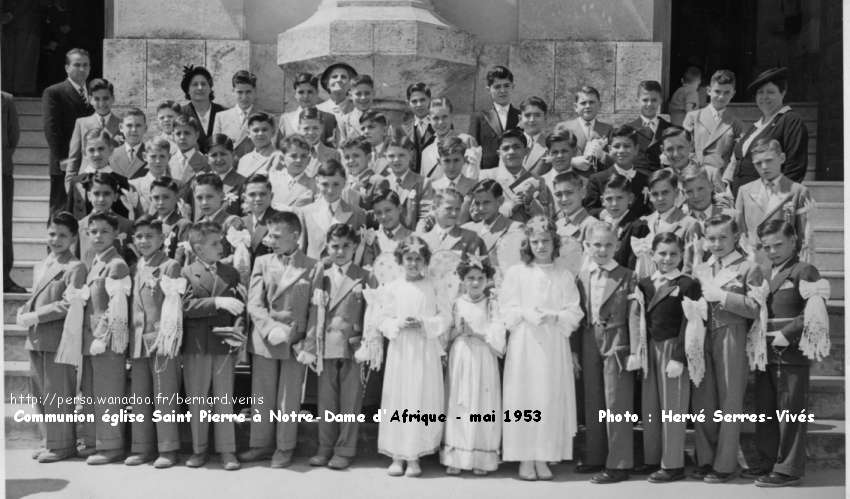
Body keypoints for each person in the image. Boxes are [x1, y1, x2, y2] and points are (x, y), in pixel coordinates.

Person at [746, 220, 830, 487]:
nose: (772, 251)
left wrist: (789, 334)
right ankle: (768, 461)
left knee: (791, 410)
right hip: (766, 351)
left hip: (790, 352)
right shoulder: (767, 271)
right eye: (766, 247)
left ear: (794, 240)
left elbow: (815, 308)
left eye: (778, 244)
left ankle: (789, 468)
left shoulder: (803, 270)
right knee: (767, 409)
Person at [500, 215, 583, 480]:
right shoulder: (517, 273)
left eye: (545, 240)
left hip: (553, 341)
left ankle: (544, 455)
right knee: (525, 396)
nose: (540, 246)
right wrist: (527, 313)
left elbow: (574, 309)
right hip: (525, 341)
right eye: (535, 241)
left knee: (547, 396)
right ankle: (525, 456)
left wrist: (556, 316)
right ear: (528, 244)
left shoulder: (563, 275)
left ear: (554, 242)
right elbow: (507, 307)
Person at [241, 210, 321, 468]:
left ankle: (285, 447)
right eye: (269, 235)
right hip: (266, 339)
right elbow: (254, 303)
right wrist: (269, 329)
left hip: (294, 341)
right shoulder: (263, 262)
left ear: (295, 235)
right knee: (262, 395)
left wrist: (307, 343)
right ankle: (260, 445)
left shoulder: (313, 266)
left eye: (277, 236)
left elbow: (315, 309)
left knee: (289, 398)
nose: (270, 241)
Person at [690, 214, 767, 483]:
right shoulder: (701, 267)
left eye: (723, 237)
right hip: (701, 335)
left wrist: (723, 296)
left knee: (729, 401)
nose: (717, 243)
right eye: (711, 238)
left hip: (732, 335)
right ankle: (705, 458)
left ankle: (724, 465)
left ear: (736, 237)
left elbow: (756, 309)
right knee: (703, 400)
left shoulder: (748, 268)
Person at [299, 223, 378, 470]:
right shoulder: (320, 273)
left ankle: (345, 449)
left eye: (346, 246)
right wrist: (311, 345)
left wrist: (366, 343)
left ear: (355, 246)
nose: (340, 251)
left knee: (350, 402)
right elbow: (312, 311)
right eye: (335, 246)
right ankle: (324, 447)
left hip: (352, 347)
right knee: (326, 402)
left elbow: (372, 314)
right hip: (326, 347)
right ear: (327, 247)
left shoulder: (365, 275)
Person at [575, 220, 642, 484]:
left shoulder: (627, 275)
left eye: (608, 245)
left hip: (617, 339)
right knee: (593, 400)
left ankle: (619, 462)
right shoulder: (582, 276)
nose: (602, 250)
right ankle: (595, 455)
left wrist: (635, 349)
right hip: (589, 338)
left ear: (616, 246)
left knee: (617, 402)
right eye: (597, 245)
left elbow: (635, 317)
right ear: (588, 246)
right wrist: (575, 351)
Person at [17, 211, 86, 463]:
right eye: (52, 233)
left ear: (73, 238)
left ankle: (63, 445)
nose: (56, 239)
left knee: (57, 392)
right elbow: (37, 296)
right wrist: (24, 310)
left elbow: (70, 304)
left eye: (63, 235)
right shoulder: (44, 263)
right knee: (40, 392)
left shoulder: (75, 266)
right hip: (36, 337)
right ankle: (49, 440)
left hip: (58, 339)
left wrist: (36, 316)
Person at [377, 236, 449, 477]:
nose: (413, 263)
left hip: (424, 349)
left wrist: (424, 323)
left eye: (418, 259)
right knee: (399, 397)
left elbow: (444, 317)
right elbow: (383, 318)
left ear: (425, 261)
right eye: (408, 258)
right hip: (401, 350)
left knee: (419, 398)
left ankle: (414, 455)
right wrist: (397, 324)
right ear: (400, 260)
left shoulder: (433, 286)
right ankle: (397, 455)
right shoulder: (394, 287)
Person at [634, 232, 702, 483]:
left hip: (673, 348)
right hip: (650, 347)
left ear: (682, 255)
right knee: (650, 406)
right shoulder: (644, 283)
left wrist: (679, 357)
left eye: (674, 253)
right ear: (653, 254)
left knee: (673, 407)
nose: (668, 258)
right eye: (662, 253)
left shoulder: (687, 284)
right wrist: (637, 350)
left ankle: (673, 463)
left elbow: (690, 323)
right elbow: (638, 318)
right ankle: (653, 458)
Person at [181, 221, 246, 470]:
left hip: (223, 343)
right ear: (198, 248)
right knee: (197, 399)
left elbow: (240, 307)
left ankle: (227, 450)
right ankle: (199, 450)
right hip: (196, 346)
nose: (221, 246)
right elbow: (185, 307)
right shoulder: (186, 272)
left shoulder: (231, 272)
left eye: (221, 241)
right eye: (215, 243)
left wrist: (238, 331)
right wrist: (216, 302)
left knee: (224, 399)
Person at [124, 216, 183, 469]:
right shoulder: (135, 266)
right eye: (139, 236)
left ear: (161, 239)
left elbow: (173, 307)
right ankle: (141, 447)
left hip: (161, 339)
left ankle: (167, 448)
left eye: (150, 236)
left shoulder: (170, 266)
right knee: (140, 398)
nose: (144, 241)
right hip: (138, 340)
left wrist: (166, 336)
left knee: (164, 397)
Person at [442, 255, 505, 476]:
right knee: (460, 403)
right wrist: (459, 331)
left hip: (483, 357)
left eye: (480, 278)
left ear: (488, 279)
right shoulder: (456, 304)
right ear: (462, 280)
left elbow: (498, 334)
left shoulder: (492, 305)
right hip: (461, 357)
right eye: (470, 278)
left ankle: (481, 455)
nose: (476, 283)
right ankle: (456, 456)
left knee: (482, 403)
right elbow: (445, 335)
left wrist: (477, 333)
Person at [78, 212, 132, 465]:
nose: (98, 236)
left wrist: (104, 337)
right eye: (93, 231)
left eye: (104, 231)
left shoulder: (116, 264)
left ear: (115, 235)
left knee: (108, 394)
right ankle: (95, 440)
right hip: (91, 338)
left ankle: (111, 446)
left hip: (106, 340)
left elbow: (117, 309)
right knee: (92, 392)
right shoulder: (95, 261)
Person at [727, 67, 809, 194]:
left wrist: (778, 199)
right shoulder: (756, 126)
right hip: (742, 199)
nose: (764, 97)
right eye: (760, 92)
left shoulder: (790, 120)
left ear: (783, 93)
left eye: (770, 92)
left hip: (767, 200)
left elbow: (795, 168)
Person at [734, 138, 814, 266]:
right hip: (754, 261)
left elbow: (803, 237)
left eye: (769, 160)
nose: (764, 167)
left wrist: (802, 266)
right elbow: (739, 231)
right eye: (758, 163)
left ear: (782, 158)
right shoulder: (744, 191)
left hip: (785, 263)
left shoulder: (798, 191)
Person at [43, 48, 93, 213]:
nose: (82, 69)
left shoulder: (94, 93)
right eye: (77, 65)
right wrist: (63, 158)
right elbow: (52, 129)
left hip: (89, 163)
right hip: (64, 163)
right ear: (67, 68)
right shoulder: (54, 92)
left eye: (85, 65)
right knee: (60, 210)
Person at [479, 129, 552, 223]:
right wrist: (509, 207)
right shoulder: (486, 177)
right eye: (506, 148)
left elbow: (545, 219)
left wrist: (530, 202)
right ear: (499, 154)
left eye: (516, 147)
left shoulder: (538, 180)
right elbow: (477, 214)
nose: (511, 152)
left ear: (526, 151)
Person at [300, 160, 367, 260]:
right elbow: (301, 250)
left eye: (336, 184)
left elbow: (360, 252)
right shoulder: (305, 212)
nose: (330, 190)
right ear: (317, 182)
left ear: (344, 183)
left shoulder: (357, 213)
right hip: (313, 272)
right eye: (325, 184)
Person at [682, 69, 744, 173]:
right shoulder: (693, 117)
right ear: (709, 91)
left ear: (733, 93)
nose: (721, 97)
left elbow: (736, 156)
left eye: (727, 92)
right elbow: (686, 150)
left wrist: (727, 178)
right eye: (717, 91)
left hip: (721, 176)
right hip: (697, 175)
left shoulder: (736, 123)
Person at [584, 125, 650, 216]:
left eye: (627, 146)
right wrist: (605, 213)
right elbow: (589, 209)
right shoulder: (597, 179)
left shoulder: (646, 179)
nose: (621, 150)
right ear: (610, 149)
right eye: (617, 146)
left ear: (636, 149)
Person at [64, 78, 121, 186]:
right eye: (97, 99)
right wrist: (70, 187)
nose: (101, 103)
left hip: (113, 185)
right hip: (85, 183)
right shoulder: (81, 123)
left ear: (113, 99)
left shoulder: (122, 125)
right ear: (90, 99)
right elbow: (73, 160)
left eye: (106, 98)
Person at [468, 65, 520, 170]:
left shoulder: (521, 116)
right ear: (489, 89)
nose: (502, 90)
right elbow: (472, 149)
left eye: (506, 86)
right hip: (487, 175)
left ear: (512, 87)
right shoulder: (479, 117)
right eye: (497, 87)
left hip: (515, 174)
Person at [554, 86, 613, 176]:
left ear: (599, 105)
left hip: (599, 184)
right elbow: (550, 158)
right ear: (575, 107)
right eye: (583, 103)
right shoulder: (563, 128)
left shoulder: (608, 129)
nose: (588, 106)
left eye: (592, 102)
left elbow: (616, 160)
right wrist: (571, 162)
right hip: (570, 180)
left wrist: (602, 155)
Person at [370, 136, 425, 230]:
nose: (396, 160)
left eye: (401, 155)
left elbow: (425, 218)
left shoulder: (423, 183)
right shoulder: (380, 183)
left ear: (410, 155)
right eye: (391, 156)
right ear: (385, 156)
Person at [419, 97, 479, 180]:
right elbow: (425, 184)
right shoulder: (426, 152)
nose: (440, 122)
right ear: (429, 119)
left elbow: (474, 176)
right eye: (436, 118)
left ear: (451, 117)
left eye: (444, 117)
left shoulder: (466, 141)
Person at [551, 171, 598, 276]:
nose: (564, 199)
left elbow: (594, 266)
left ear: (582, 193)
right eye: (558, 194)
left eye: (569, 193)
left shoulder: (592, 225)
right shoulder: (558, 224)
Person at [420, 136, 476, 221]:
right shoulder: (431, 188)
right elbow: (424, 220)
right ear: (439, 162)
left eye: (456, 160)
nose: (451, 166)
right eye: (447, 161)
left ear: (465, 160)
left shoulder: (474, 187)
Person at [415, 188, 485, 255]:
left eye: (457, 209)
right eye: (448, 209)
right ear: (434, 208)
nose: (454, 213)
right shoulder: (423, 240)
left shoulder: (471, 238)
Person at [2, 91, 24, 292]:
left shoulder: (6, 100)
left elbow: (12, 135)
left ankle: (4, 278)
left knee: (3, 227)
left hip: (2, 172)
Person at [626, 80, 672, 177]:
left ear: (661, 100)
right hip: (636, 181)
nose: (649, 104)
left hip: (663, 181)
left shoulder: (670, 128)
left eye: (654, 100)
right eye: (645, 100)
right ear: (637, 100)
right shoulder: (628, 130)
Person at [358, 188, 413, 268]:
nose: (384, 216)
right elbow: (367, 267)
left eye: (388, 210)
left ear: (399, 209)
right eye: (379, 213)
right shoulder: (372, 238)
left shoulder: (412, 237)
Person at [278, 72, 338, 144]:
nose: (306, 96)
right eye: (301, 92)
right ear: (295, 94)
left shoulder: (329, 118)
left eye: (310, 92)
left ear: (317, 93)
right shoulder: (286, 119)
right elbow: (279, 149)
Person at [212, 70, 258, 159]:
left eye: (248, 92)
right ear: (233, 91)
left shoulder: (264, 117)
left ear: (255, 91)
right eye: (240, 92)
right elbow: (215, 148)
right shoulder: (221, 117)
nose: (244, 97)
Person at [180, 65, 225, 153]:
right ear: (188, 90)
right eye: (195, 84)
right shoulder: (181, 113)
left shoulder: (224, 112)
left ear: (210, 87)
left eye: (203, 84)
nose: (200, 88)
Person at [240, 174, 280, 262]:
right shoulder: (242, 222)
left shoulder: (281, 220)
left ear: (271, 196)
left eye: (263, 194)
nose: (258, 199)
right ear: (244, 198)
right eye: (252, 194)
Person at [269, 134, 316, 209]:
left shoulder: (314, 185)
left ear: (309, 160)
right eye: (293, 156)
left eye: (303, 156)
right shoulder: (271, 179)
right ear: (282, 159)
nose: (299, 160)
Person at [130, 138, 172, 215]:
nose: (158, 161)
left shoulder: (178, 185)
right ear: (145, 156)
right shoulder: (134, 185)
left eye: (162, 156)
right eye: (153, 156)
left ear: (169, 157)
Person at [402, 82, 435, 174]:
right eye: (414, 101)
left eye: (423, 100)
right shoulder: (403, 129)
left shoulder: (439, 125)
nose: (419, 104)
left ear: (430, 100)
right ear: (408, 103)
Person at [236, 111, 280, 178]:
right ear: (248, 134)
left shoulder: (278, 157)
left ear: (273, 132)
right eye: (256, 130)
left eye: (264, 130)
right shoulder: (243, 160)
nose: (260, 133)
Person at [299, 107, 340, 177]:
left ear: (322, 128)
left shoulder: (334, 155)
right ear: (299, 128)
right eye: (306, 128)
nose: (311, 132)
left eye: (315, 128)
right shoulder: (290, 153)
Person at [110, 108, 149, 180]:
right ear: (121, 127)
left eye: (138, 125)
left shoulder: (152, 155)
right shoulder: (110, 155)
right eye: (129, 125)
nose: (134, 130)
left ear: (145, 128)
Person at [168, 115, 208, 185]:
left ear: (196, 135)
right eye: (178, 133)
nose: (182, 137)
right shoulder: (168, 161)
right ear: (173, 136)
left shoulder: (205, 162)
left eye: (187, 133)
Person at [338, 74, 375, 142]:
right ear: (351, 95)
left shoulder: (382, 120)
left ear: (373, 94)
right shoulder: (345, 121)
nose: (363, 97)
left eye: (367, 93)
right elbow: (341, 148)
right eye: (358, 94)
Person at [518, 96, 549, 174]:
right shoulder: (509, 143)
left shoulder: (550, 145)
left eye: (537, 115)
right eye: (527, 115)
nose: (532, 120)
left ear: (545, 118)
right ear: (520, 118)